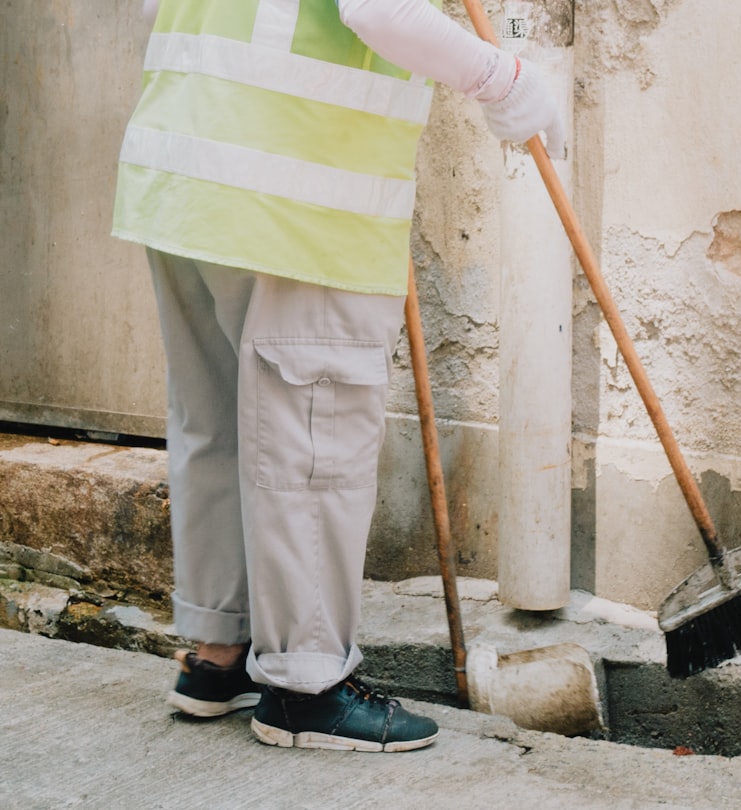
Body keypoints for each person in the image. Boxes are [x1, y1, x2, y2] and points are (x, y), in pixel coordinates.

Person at [113, 0, 564, 753]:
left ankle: (217, 655)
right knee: (310, 447)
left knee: (220, 427)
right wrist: (503, 79)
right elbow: (379, 9)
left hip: (188, 175)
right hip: (295, 202)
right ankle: (305, 687)